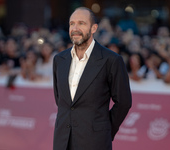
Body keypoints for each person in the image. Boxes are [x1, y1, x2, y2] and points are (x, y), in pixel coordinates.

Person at [53, 7, 132, 150]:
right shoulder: (59, 59)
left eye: (81, 23)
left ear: (94, 28)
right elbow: (60, 100)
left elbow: (124, 102)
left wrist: (104, 130)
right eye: (72, 24)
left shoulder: (111, 60)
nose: (75, 28)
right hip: (62, 141)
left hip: (95, 142)